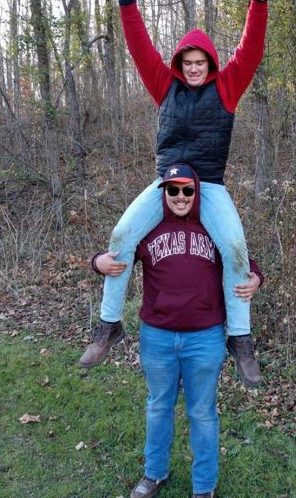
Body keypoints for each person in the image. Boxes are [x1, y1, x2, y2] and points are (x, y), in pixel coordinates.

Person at [79, 0, 272, 385]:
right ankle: (109, 325)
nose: (194, 68)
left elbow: (251, 49)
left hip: (210, 185)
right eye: (187, 62)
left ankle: (241, 339)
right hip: (166, 183)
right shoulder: (163, 86)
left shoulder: (227, 88)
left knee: (236, 247)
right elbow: (138, 43)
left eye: (200, 62)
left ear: (210, 63)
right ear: (178, 64)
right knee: (121, 236)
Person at [90, 163, 263, 498]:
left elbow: (240, 260)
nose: (180, 196)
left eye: (187, 190)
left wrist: (256, 277)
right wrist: (97, 261)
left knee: (203, 413)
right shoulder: (149, 229)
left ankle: (204, 487)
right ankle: (154, 474)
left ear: (198, 193)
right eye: (173, 190)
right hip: (157, 336)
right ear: (163, 193)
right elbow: (118, 255)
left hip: (205, 338)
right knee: (158, 406)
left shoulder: (213, 226)